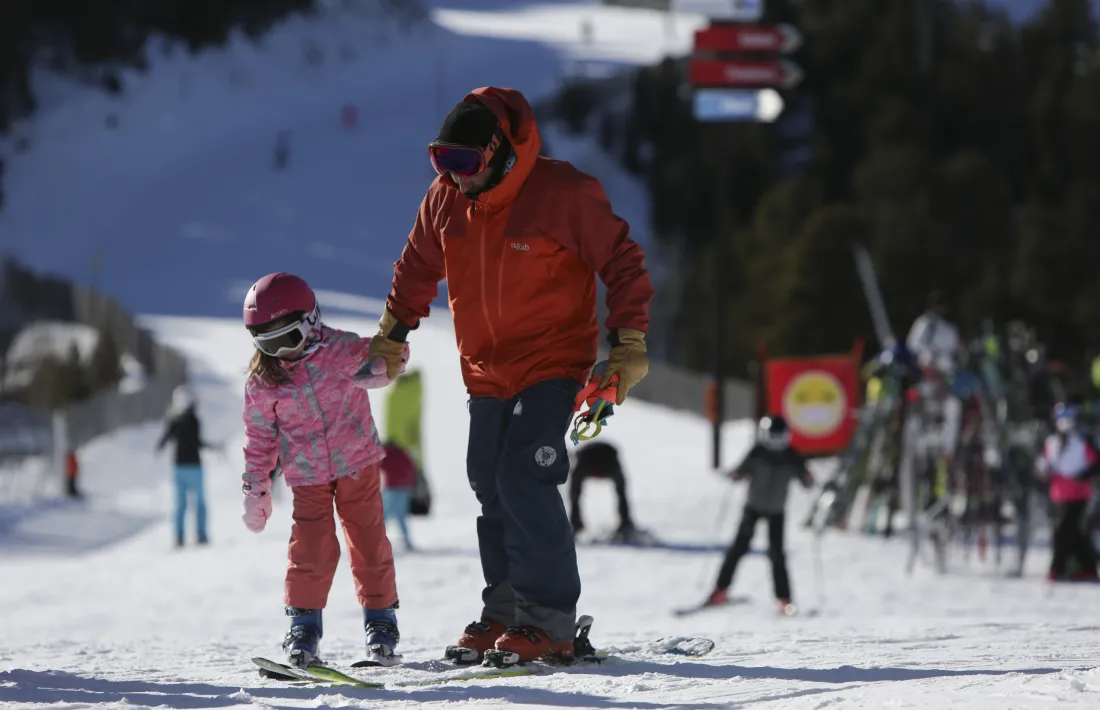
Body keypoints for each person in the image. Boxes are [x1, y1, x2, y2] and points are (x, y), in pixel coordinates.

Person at [366, 86, 653, 664]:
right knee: (489, 480)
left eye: (464, 161)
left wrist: (627, 344)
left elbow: (622, 261)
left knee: (526, 473)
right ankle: (505, 612)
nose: (455, 175)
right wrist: (392, 334)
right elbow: (417, 266)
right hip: (485, 371)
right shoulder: (446, 198)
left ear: (499, 151)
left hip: (552, 363)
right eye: (441, 161)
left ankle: (548, 621)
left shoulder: (561, 192)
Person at [239, 272, 408, 668]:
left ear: (311, 321)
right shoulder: (264, 382)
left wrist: (391, 356)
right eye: (270, 344)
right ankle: (303, 627)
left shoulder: (342, 350)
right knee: (310, 548)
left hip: (357, 464)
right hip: (306, 476)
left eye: (289, 338)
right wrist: (255, 488)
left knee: (368, 540)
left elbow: (385, 358)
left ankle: (381, 622)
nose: (283, 353)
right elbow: (259, 438)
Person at [704, 415, 814, 615]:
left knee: (777, 555)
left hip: (776, 511)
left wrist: (808, 479)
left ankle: (784, 599)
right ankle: (720, 591)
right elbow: (741, 471)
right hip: (753, 507)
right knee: (738, 549)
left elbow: (805, 480)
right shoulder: (758, 452)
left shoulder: (791, 456)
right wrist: (735, 475)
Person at [1036, 403, 1099, 581]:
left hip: (1079, 495)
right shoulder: (1052, 442)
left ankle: (1057, 568)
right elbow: (1042, 464)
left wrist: (1084, 476)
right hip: (1058, 495)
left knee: (1063, 532)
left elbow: (1096, 463)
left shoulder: (1083, 441)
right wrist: (1042, 474)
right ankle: (1086, 567)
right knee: (1075, 533)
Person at [157, 386, 214, 547]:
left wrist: (159, 447)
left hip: (179, 467)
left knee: (180, 505)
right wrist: (212, 447)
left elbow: (165, 438)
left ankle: (179, 537)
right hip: (195, 467)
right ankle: (201, 535)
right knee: (200, 503)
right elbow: (197, 442)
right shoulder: (194, 421)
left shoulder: (173, 421)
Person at [568, 441, 637, 541]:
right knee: (621, 492)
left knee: (575, 494)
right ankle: (625, 523)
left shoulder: (581, 460)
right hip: (606, 462)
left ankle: (576, 524)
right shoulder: (583, 457)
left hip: (600, 462)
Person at [906, 290, 960, 373]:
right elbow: (913, 344)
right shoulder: (924, 322)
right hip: (926, 366)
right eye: (939, 306)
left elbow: (952, 348)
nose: (942, 309)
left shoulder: (949, 326)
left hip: (945, 366)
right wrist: (930, 353)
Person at [380, 441, 418, 551]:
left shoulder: (387, 454)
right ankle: (406, 540)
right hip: (404, 487)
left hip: (392, 487)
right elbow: (412, 467)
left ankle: (378, 540)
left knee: (384, 514)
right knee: (401, 515)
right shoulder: (403, 453)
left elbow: (380, 465)